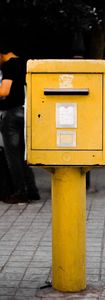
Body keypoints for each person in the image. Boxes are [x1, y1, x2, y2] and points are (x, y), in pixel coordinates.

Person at [0, 41, 40, 203]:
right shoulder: (25, 64)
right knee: (24, 155)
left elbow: (4, 90)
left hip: (12, 114)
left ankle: (20, 191)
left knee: (13, 156)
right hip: (26, 111)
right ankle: (32, 190)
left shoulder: (9, 66)